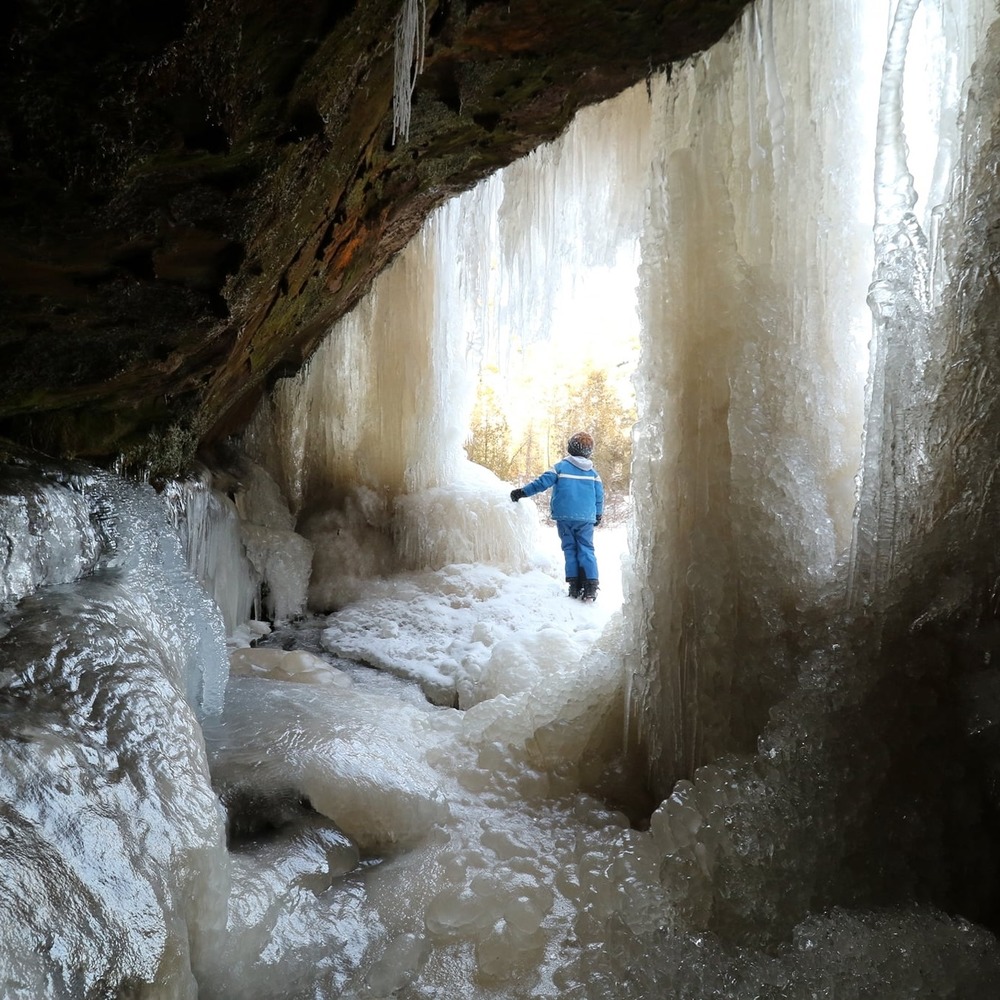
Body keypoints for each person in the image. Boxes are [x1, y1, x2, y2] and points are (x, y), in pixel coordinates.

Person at [510, 431, 604, 601]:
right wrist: (598, 514)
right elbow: (599, 496)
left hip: (565, 516)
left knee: (569, 549)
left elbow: (542, 483)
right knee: (586, 548)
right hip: (586, 518)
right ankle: (590, 585)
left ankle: (574, 585)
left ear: (570, 448)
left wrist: (523, 492)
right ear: (589, 452)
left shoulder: (560, 467)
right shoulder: (593, 474)